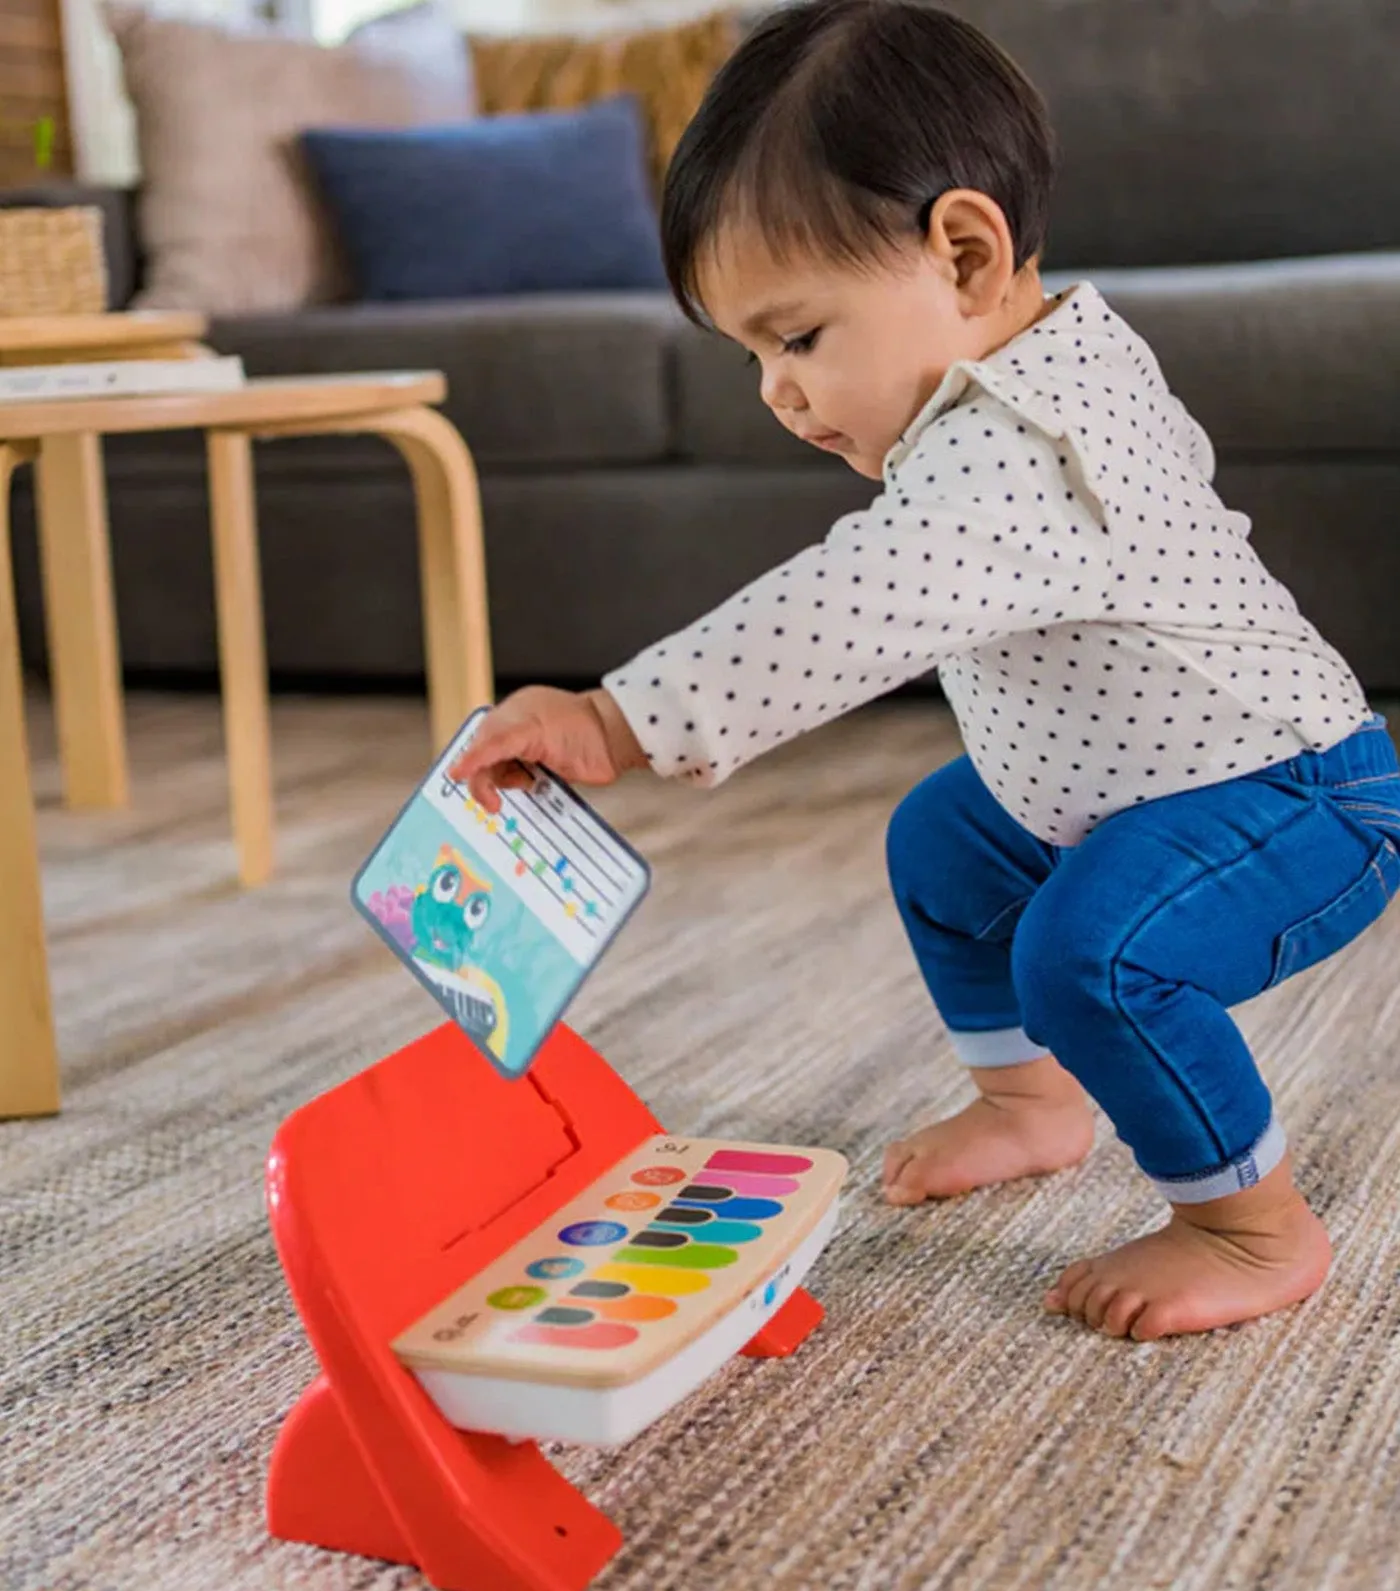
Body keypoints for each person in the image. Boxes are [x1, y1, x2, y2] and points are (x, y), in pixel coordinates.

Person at [449, 0, 1400, 1341]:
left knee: (1096, 954)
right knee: (948, 841)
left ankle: (1250, 1226)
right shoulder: (1038, 357)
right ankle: (1029, 1103)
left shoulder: (1021, 451)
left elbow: (841, 611)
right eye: (751, 358)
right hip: (1134, 784)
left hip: (1294, 799)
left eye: (799, 338)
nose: (775, 393)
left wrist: (618, 718)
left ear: (964, 254)